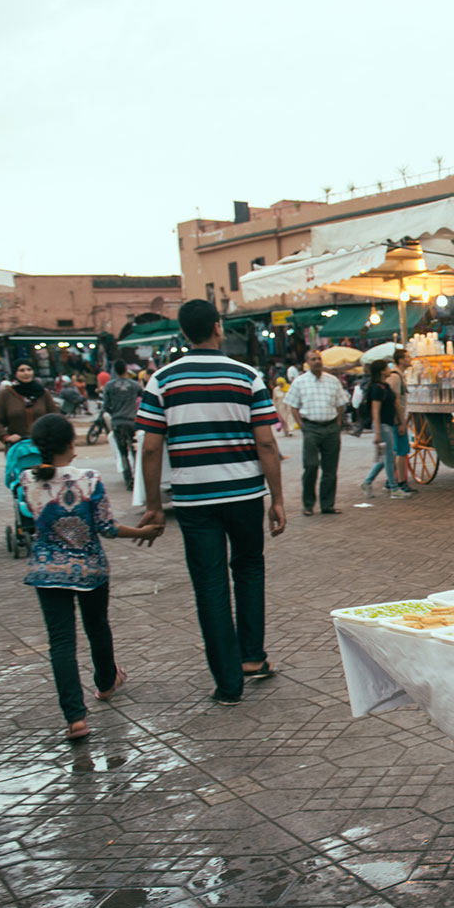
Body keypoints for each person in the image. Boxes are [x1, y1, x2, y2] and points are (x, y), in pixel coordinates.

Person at [137, 299, 286, 707]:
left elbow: (150, 449)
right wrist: (278, 499)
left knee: (210, 585)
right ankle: (252, 658)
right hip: (244, 494)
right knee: (250, 571)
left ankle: (228, 683)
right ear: (218, 328)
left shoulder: (162, 381)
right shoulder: (247, 376)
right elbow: (266, 442)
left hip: (193, 500)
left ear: (185, 333)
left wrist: (153, 503)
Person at [21, 413, 160, 740]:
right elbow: (107, 528)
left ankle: (75, 718)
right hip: (90, 569)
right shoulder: (90, 478)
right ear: (70, 442)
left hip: (46, 572)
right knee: (97, 626)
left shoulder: (27, 479)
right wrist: (142, 531)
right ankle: (106, 682)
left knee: (61, 642)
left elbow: (31, 517)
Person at [284, 350, 348, 515]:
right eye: (313, 359)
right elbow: (293, 406)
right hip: (311, 428)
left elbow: (341, 403)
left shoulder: (332, 381)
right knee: (311, 466)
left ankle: (327, 505)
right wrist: (302, 426)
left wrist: (338, 423)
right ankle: (308, 504)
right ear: (307, 363)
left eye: (319, 359)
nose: (317, 362)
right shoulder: (299, 382)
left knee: (330, 469)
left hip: (331, 427)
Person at [361, 359, 410, 500]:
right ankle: (394, 488)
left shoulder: (385, 387)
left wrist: (400, 422)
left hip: (388, 424)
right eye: (387, 367)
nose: (390, 369)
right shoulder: (376, 388)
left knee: (386, 457)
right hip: (382, 425)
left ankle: (367, 482)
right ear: (382, 371)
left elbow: (395, 405)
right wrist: (377, 432)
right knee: (389, 457)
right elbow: (375, 411)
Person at [0, 362, 58, 445]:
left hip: (43, 445)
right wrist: (6, 437)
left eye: (29, 370)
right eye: (21, 370)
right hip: (17, 446)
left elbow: (55, 417)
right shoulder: (7, 394)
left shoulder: (43, 393)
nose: (26, 373)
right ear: (15, 373)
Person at [385, 347, 417, 493]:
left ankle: (392, 480)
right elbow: (395, 401)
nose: (410, 359)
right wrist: (401, 421)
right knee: (401, 451)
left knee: (399, 450)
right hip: (397, 419)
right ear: (400, 360)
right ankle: (401, 482)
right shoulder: (396, 377)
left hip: (396, 418)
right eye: (407, 357)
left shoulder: (399, 376)